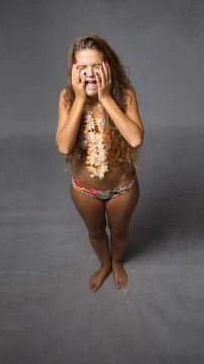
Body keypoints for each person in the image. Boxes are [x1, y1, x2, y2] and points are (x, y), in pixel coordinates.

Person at [55, 35, 144, 292]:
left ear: (108, 66)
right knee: (95, 233)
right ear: (74, 70)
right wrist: (80, 99)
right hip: (85, 190)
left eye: (96, 66)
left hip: (122, 189)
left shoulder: (123, 96)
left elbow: (135, 138)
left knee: (119, 232)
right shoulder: (67, 97)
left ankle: (116, 261)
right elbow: (63, 145)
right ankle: (104, 263)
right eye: (82, 67)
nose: (89, 74)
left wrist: (105, 98)